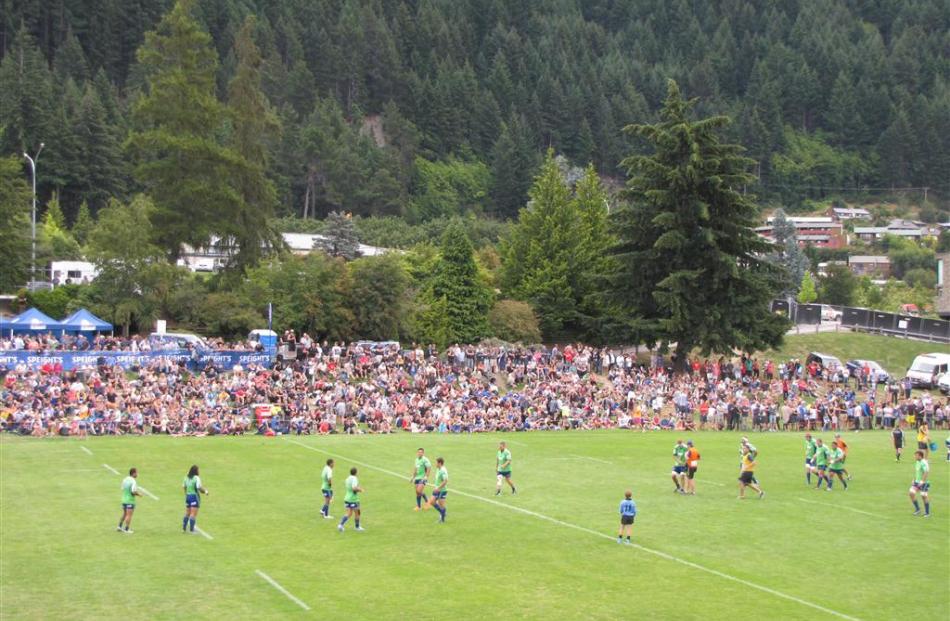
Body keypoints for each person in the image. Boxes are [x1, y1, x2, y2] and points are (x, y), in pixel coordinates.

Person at [182, 465, 209, 534]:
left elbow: (184, 487)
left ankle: (184, 528)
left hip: (188, 496)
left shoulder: (186, 478)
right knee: (193, 514)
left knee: (187, 513)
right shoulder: (196, 478)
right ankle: (192, 530)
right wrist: (205, 491)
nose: (199, 471)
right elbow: (199, 488)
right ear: (195, 471)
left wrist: (186, 494)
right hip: (194, 497)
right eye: (198, 470)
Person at [338, 467, 365, 531]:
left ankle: (340, 525)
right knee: (357, 513)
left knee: (349, 513)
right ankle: (357, 527)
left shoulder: (348, 478)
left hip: (347, 498)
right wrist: (360, 490)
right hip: (353, 499)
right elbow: (354, 488)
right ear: (356, 472)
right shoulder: (354, 478)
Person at [118, 467, 141, 534]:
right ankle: (126, 529)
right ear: (133, 473)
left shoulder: (125, 479)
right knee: (129, 515)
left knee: (124, 514)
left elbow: (122, 488)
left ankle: (119, 526)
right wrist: (139, 494)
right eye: (136, 473)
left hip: (124, 500)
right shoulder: (133, 481)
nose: (137, 474)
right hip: (130, 501)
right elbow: (133, 492)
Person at [909, 450, 930, 517]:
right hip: (917, 482)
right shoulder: (917, 462)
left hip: (924, 482)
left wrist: (922, 481)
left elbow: (926, 472)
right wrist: (914, 479)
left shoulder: (924, 462)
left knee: (923, 496)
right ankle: (918, 509)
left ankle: (927, 513)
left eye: (916, 455)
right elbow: (918, 472)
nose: (915, 456)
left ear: (920, 456)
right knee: (911, 493)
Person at [427, 457, 448, 523]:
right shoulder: (438, 469)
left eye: (436, 463)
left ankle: (442, 520)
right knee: (431, 501)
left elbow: (445, 481)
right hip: (436, 489)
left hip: (442, 490)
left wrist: (438, 488)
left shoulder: (443, 470)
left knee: (441, 505)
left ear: (440, 463)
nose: (435, 464)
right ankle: (443, 513)